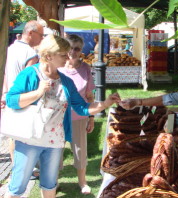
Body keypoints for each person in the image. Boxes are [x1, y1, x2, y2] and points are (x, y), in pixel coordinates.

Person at [4, 34, 120, 198]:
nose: (68, 57)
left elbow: (81, 108)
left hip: (55, 141)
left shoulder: (65, 81)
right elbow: (11, 100)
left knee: (50, 183)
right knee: (19, 184)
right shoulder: (30, 74)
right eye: (63, 54)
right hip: (29, 139)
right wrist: (37, 93)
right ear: (48, 56)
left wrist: (106, 103)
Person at [1, 20, 45, 179]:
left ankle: (16, 168)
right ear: (31, 33)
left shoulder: (9, 49)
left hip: (10, 98)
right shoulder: (30, 53)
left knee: (13, 136)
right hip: (26, 101)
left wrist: (5, 94)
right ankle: (28, 169)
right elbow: (30, 81)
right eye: (41, 35)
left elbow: (4, 74)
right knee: (27, 136)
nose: (42, 38)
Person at [58, 34, 95, 194]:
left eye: (77, 49)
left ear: (81, 51)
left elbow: (90, 96)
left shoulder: (86, 68)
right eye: (70, 48)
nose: (73, 52)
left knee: (80, 150)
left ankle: (82, 182)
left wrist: (91, 118)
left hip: (78, 117)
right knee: (55, 150)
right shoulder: (58, 67)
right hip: (57, 118)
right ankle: (53, 181)